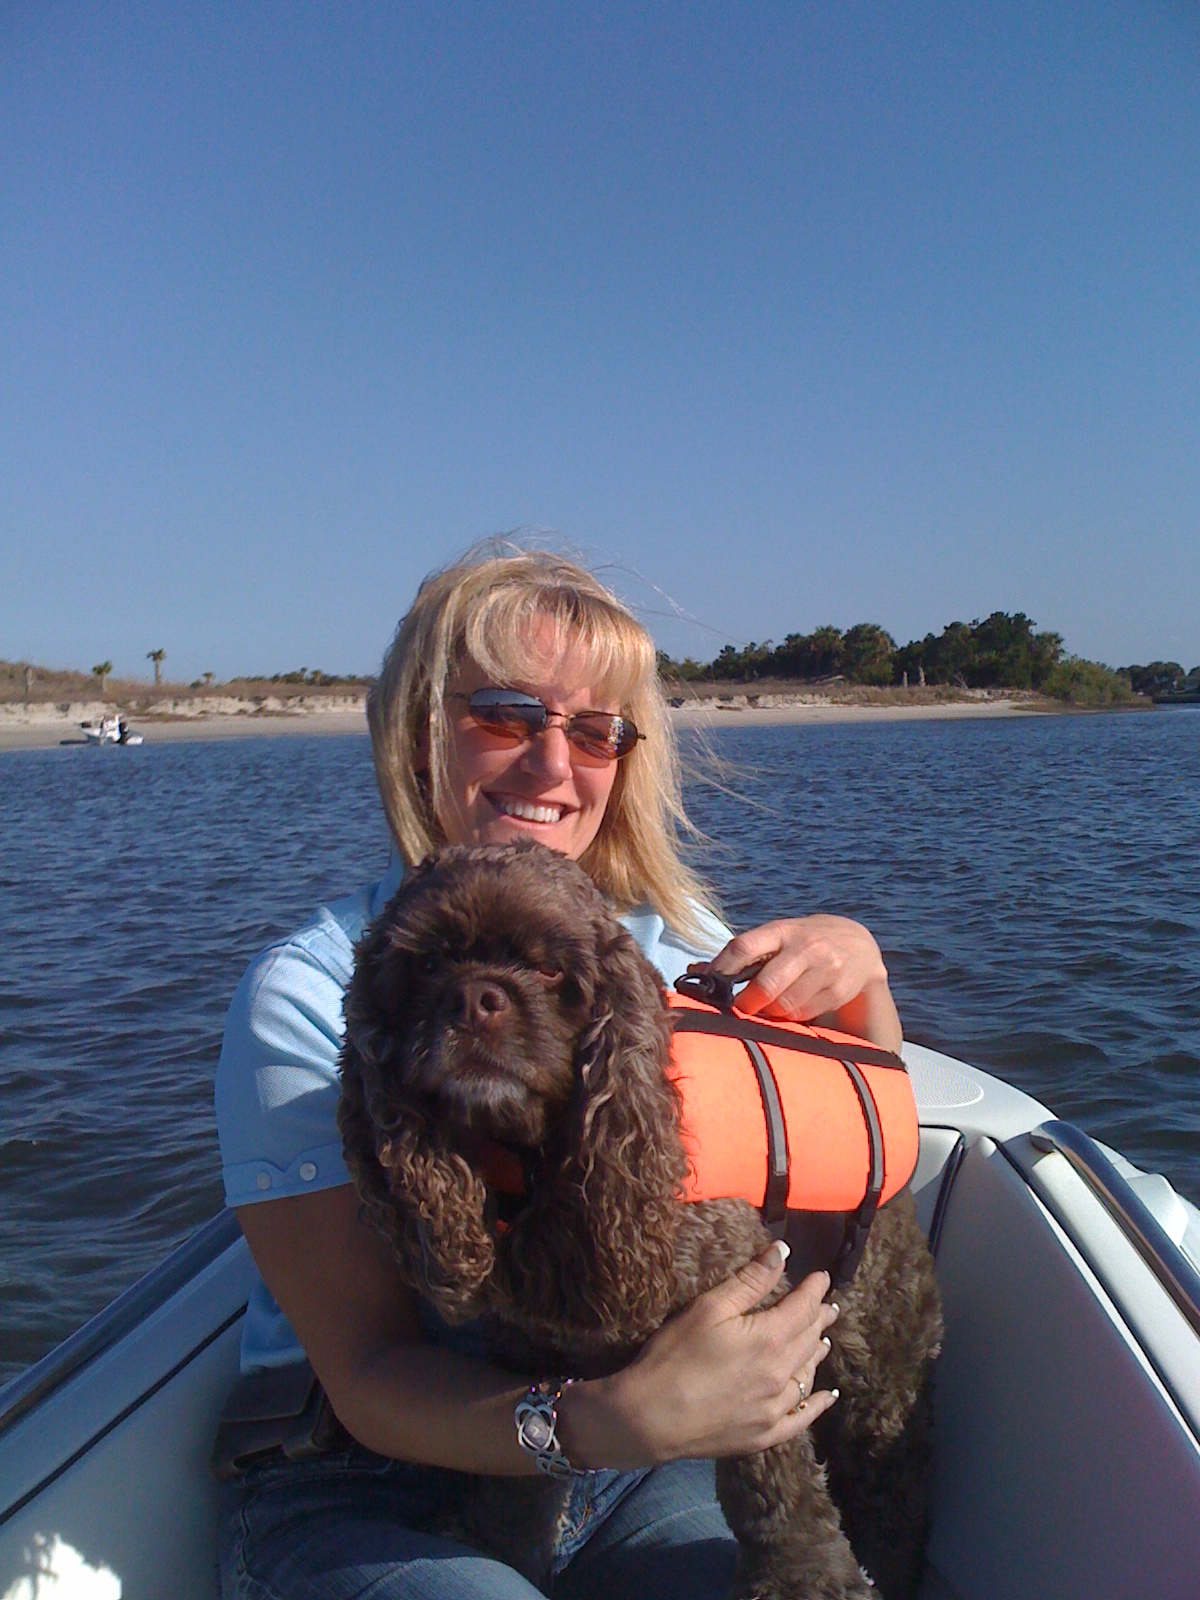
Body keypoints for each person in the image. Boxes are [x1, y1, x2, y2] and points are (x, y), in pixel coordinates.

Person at [215, 545, 903, 1600]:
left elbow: (857, 1149)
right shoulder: (310, 993)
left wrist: (864, 989)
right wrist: (601, 1421)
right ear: (416, 729)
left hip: (647, 1459)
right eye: (504, 714)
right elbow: (366, 1377)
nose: (551, 763)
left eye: (593, 731)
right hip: (371, 1478)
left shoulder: (676, 946)